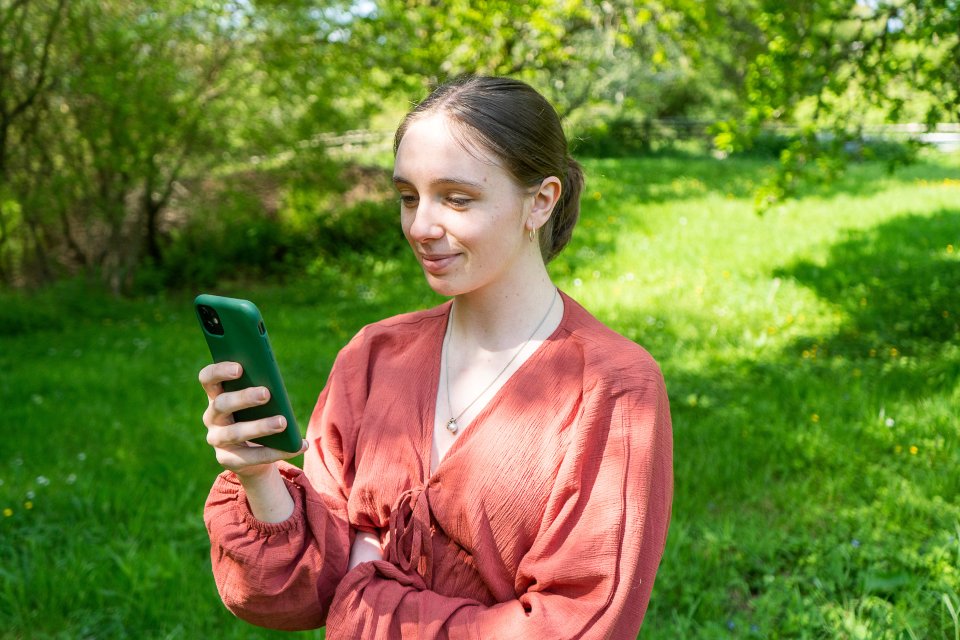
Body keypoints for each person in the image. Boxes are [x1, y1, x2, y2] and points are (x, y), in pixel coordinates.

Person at [199, 75, 673, 639]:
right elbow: (300, 593)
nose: (421, 226)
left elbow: (574, 624)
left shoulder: (611, 390)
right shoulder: (373, 357)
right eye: (408, 197)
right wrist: (258, 477)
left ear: (540, 202)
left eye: (456, 197)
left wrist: (367, 588)